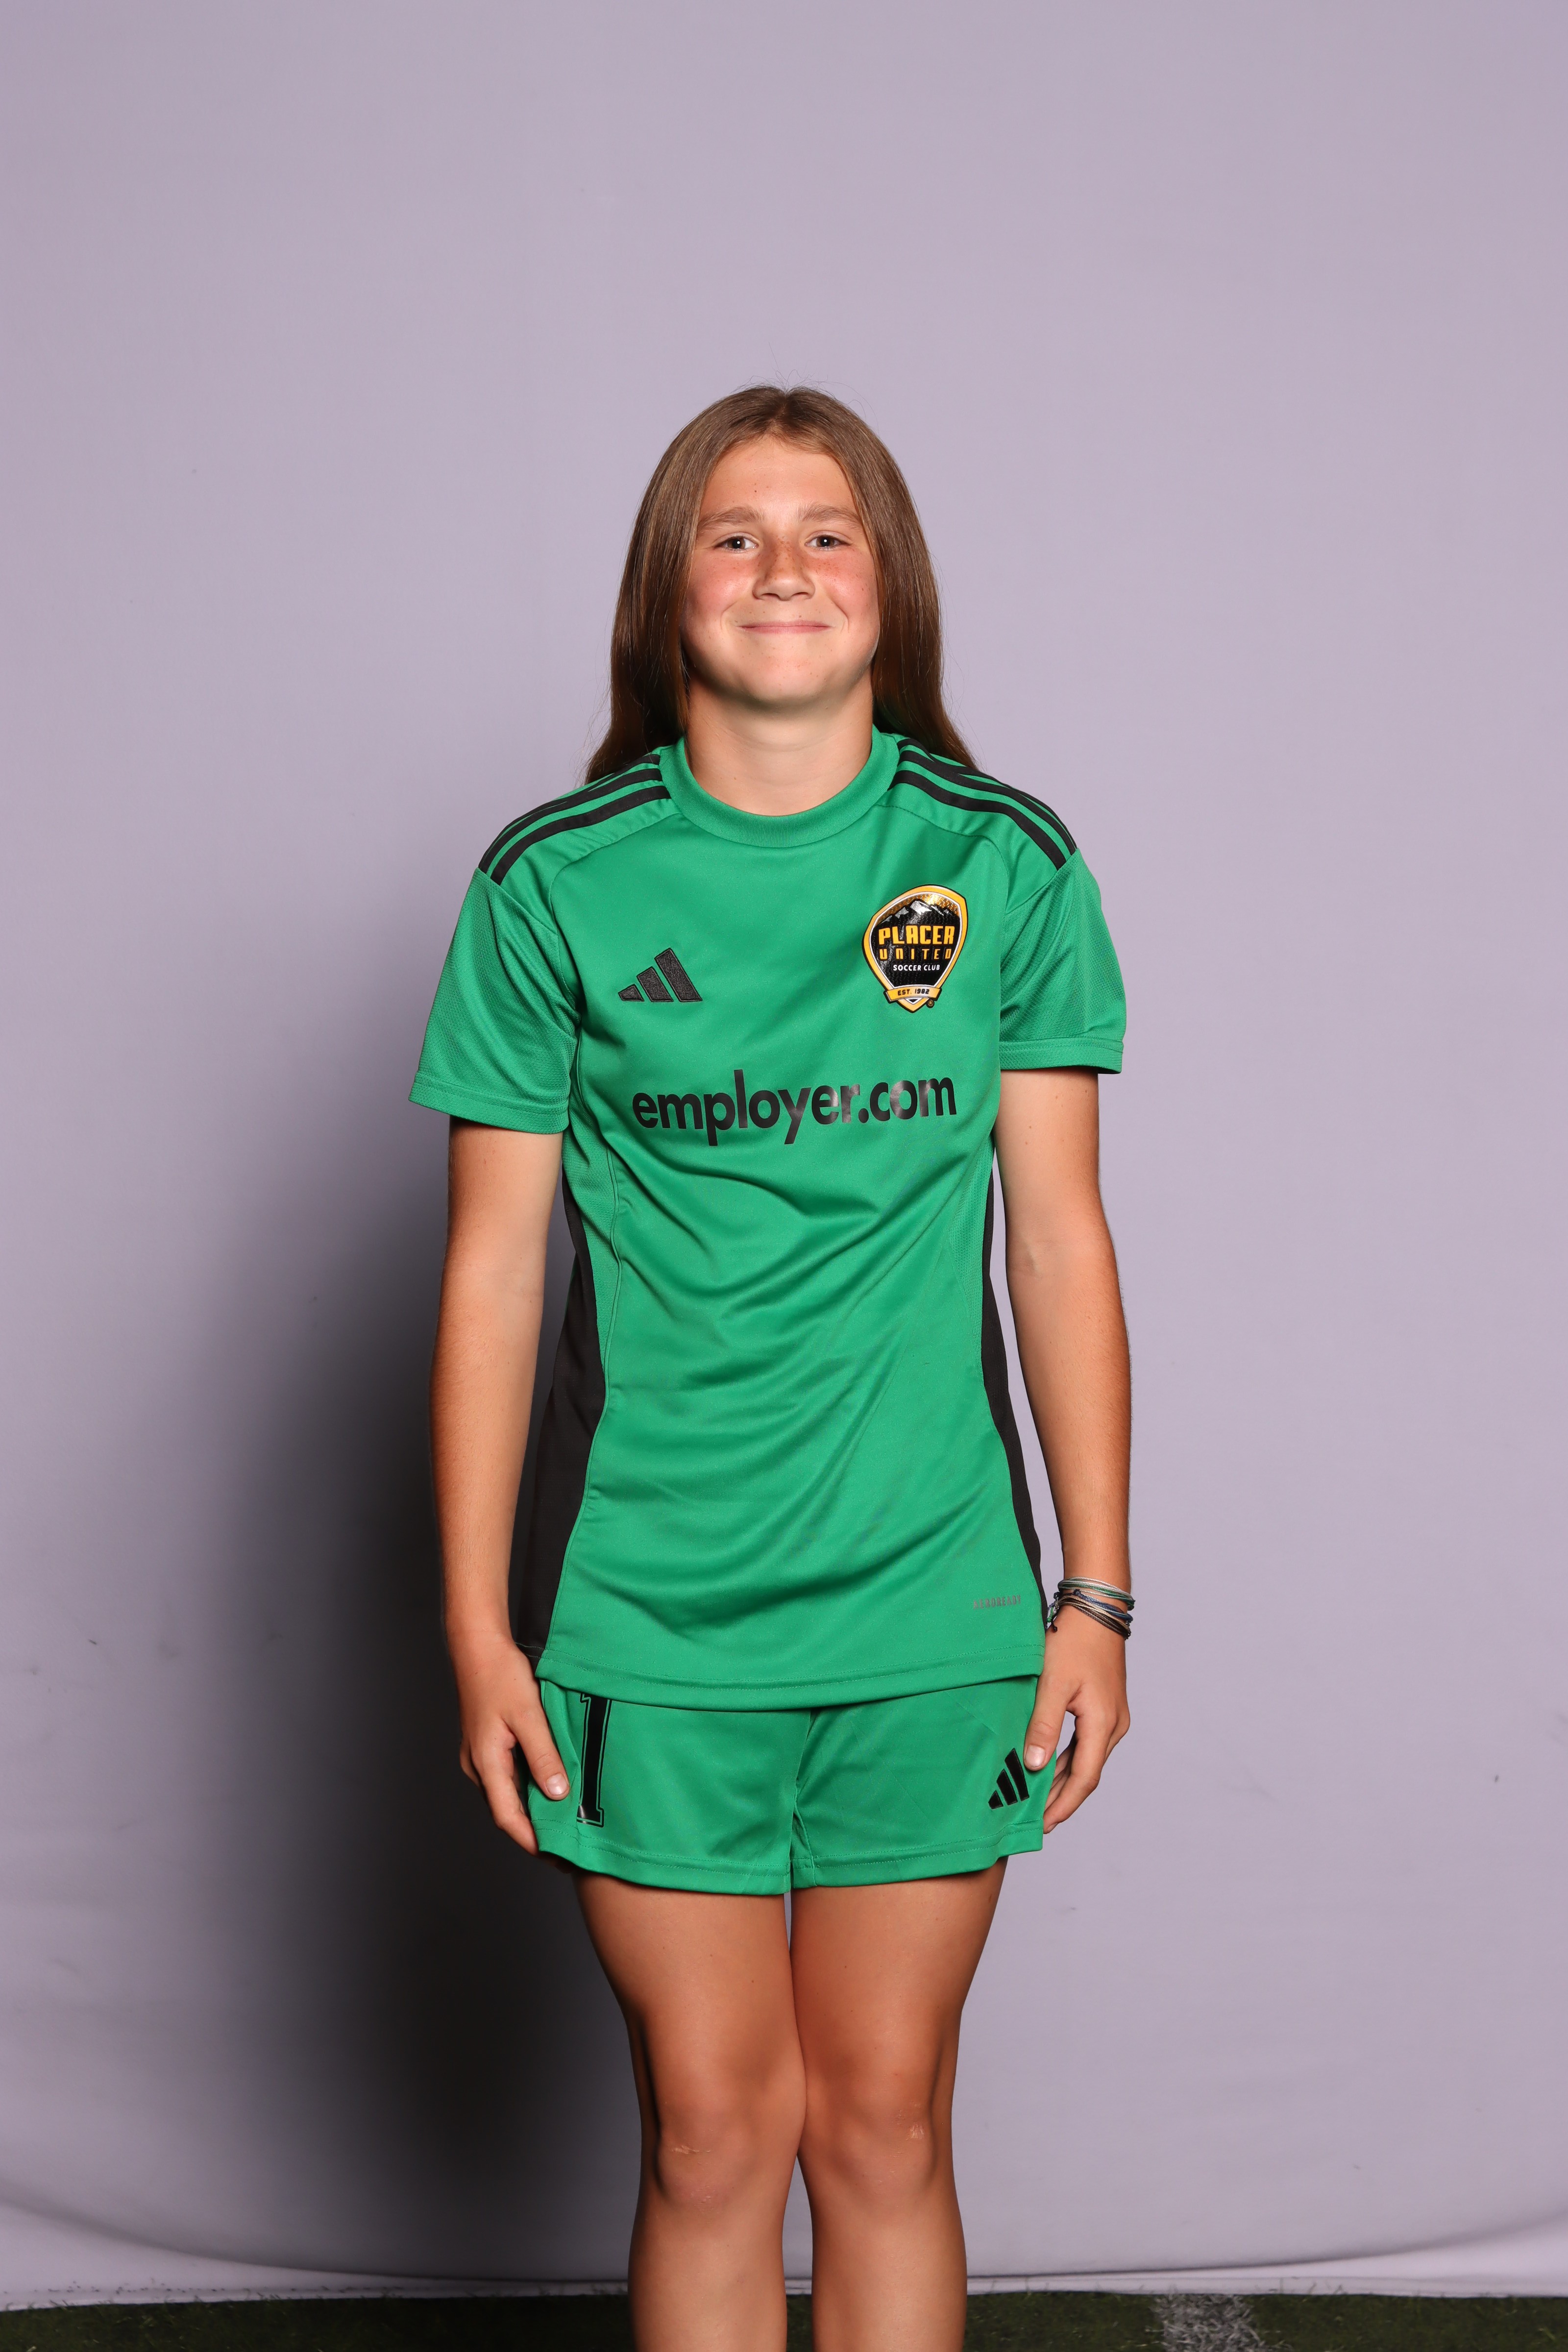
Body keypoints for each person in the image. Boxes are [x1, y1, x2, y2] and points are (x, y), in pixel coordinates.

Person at [411, 385, 1132, 2352]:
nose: (782, 569)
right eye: (732, 533)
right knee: (714, 2133)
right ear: (668, 587)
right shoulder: (553, 882)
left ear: (891, 587)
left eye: (828, 532)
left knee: (883, 2123)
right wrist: (477, 1628)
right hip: (645, 1614)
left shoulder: (1000, 862)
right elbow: (492, 1275)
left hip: (932, 1600)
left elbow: (1059, 1243)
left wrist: (1094, 1594)